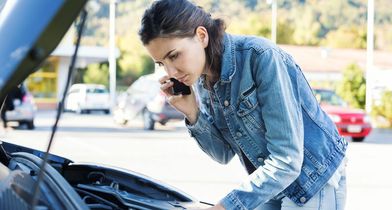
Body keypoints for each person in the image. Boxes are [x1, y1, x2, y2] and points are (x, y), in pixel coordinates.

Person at [139, 0, 348, 209]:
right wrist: (192, 112)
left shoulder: (261, 57)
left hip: (310, 179)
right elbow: (223, 154)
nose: (171, 72)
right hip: (270, 180)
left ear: (201, 36)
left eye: (174, 56)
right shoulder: (203, 80)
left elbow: (287, 160)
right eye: (161, 63)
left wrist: (227, 206)